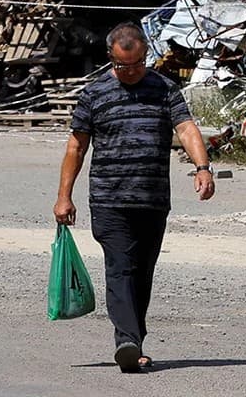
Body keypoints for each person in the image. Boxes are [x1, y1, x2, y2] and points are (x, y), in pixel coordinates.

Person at [54, 24, 215, 373]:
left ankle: (134, 340)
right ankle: (126, 341)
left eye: (138, 63)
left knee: (142, 273)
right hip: (109, 199)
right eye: (124, 66)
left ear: (146, 56)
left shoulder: (164, 89)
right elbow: (76, 145)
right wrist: (64, 196)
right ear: (111, 59)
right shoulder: (95, 94)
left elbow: (185, 128)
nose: (132, 71)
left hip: (152, 199)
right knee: (120, 267)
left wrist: (203, 167)